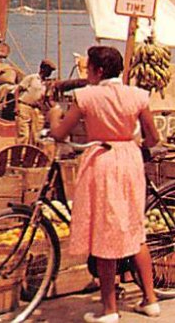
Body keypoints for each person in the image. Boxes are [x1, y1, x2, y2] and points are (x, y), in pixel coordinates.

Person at [48, 46, 161, 322]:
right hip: (130, 160)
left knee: (105, 234)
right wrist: (134, 145)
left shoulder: (86, 96)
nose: (86, 74)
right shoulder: (136, 95)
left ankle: (109, 310)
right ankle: (151, 300)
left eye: (88, 69)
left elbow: (61, 133)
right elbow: (154, 137)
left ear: (98, 70)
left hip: (104, 161)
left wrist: (52, 115)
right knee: (134, 230)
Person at [15, 59, 56, 145]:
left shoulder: (47, 84)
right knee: (23, 135)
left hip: (37, 110)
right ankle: (19, 155)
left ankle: (30, 156)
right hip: (24, 107)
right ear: (42, 69)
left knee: (36, 136)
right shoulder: (32, 78)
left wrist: (53, 110)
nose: (50, 73)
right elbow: (17, 90)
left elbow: (47, 99)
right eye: (49, 70)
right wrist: (16, 106)